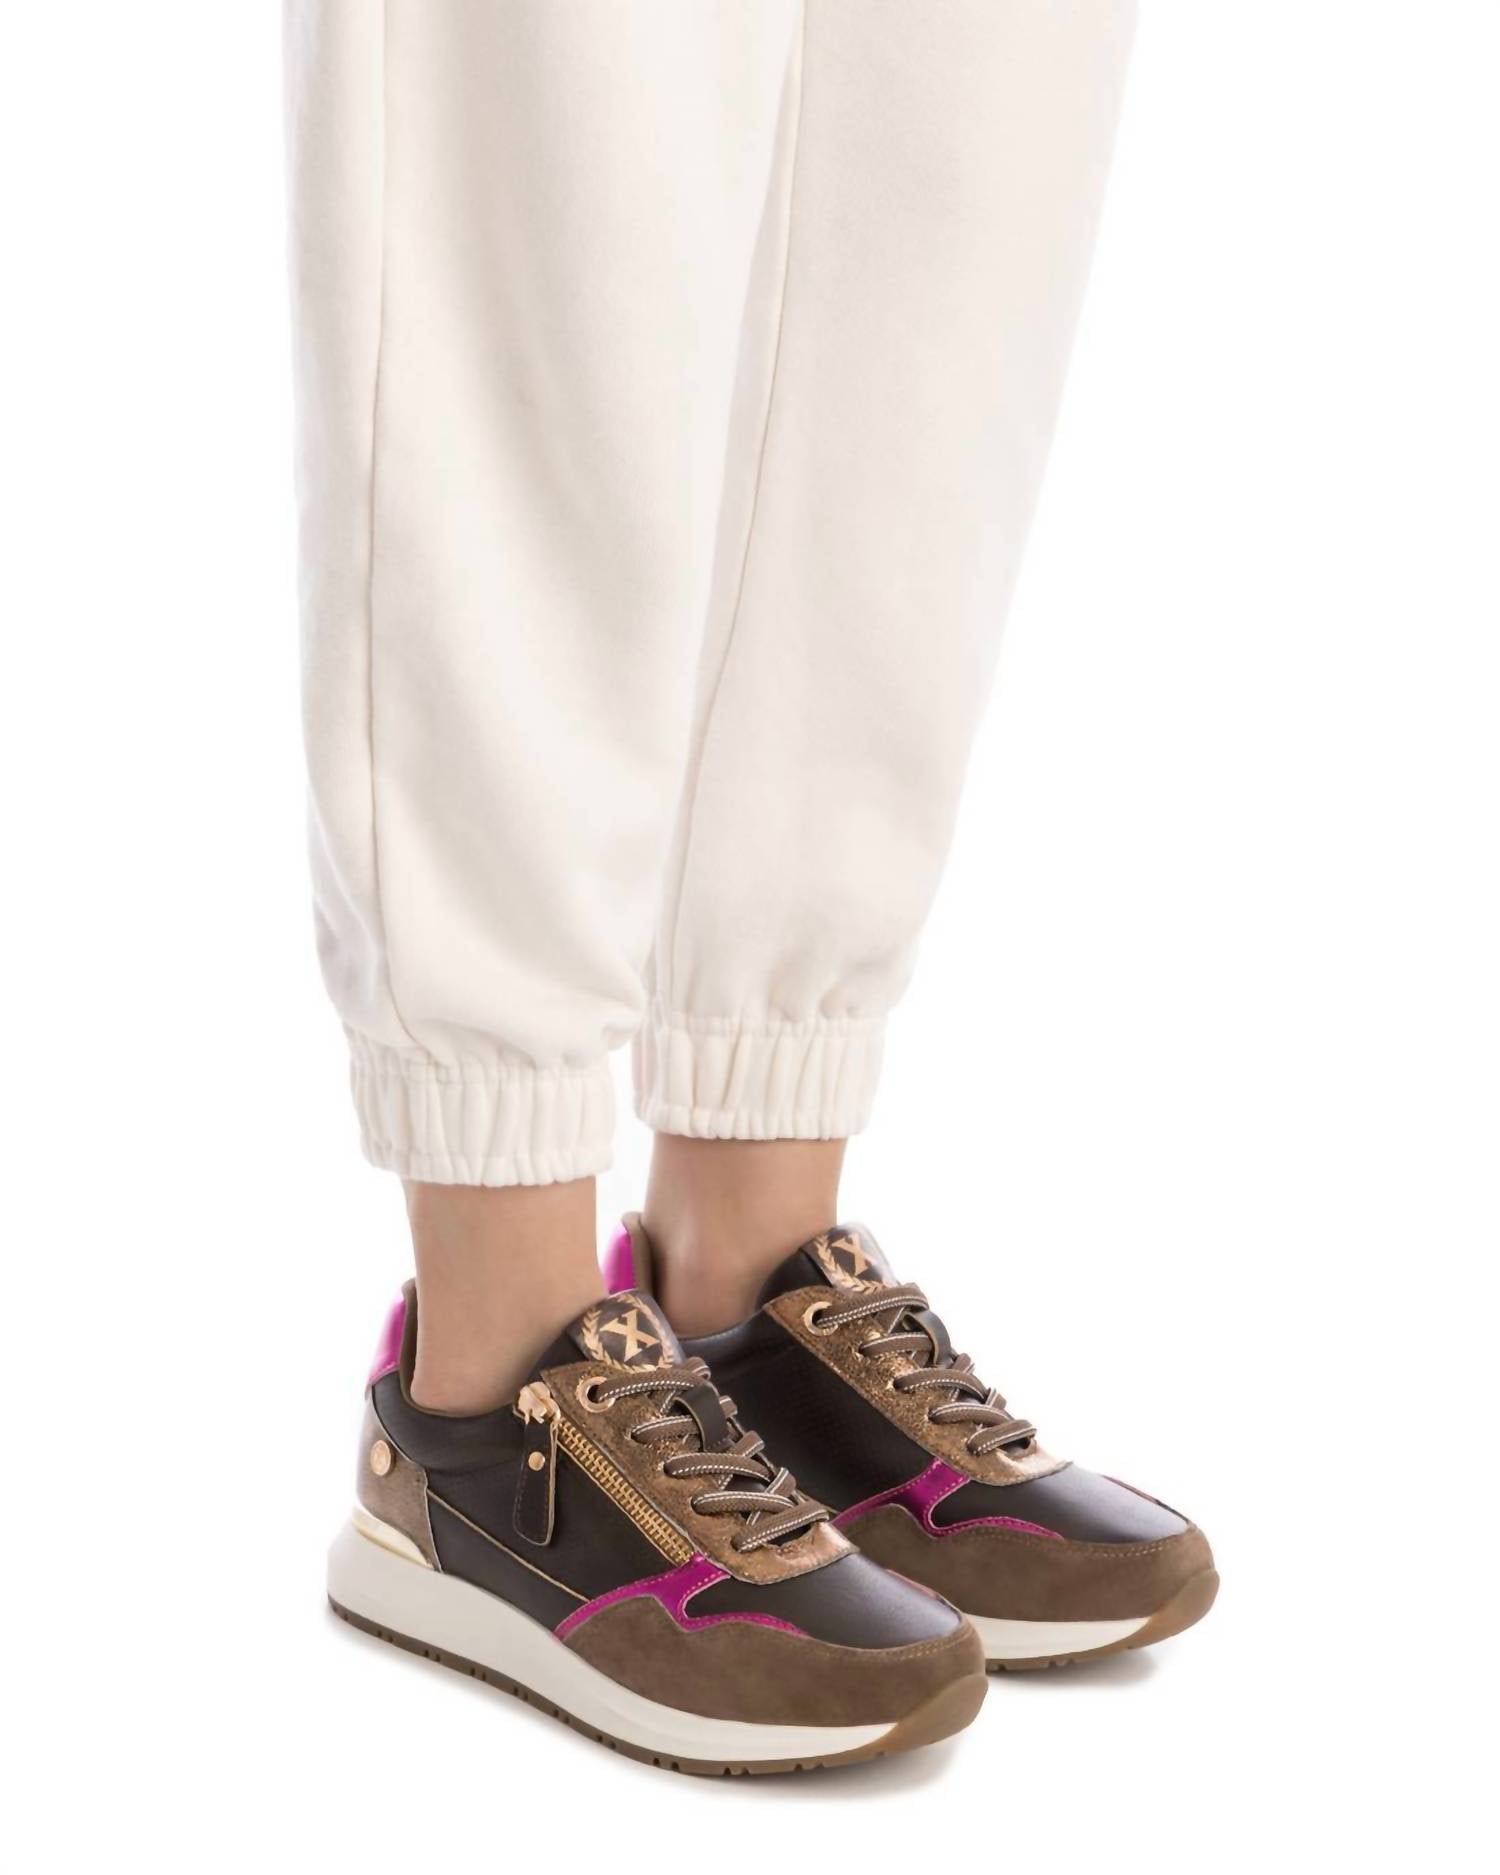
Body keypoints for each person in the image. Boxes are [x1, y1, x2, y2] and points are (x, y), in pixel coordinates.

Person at [286, 0, 1214, 1775]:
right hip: (490, 1366)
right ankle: (491, 1388)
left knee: (935, 220)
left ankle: (743, 1291)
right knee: (554, 178)